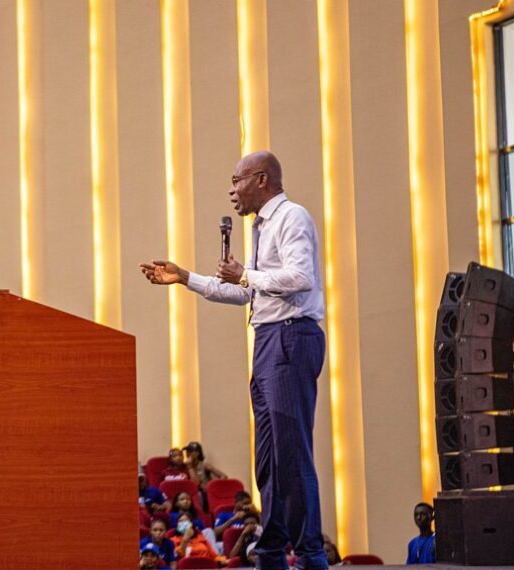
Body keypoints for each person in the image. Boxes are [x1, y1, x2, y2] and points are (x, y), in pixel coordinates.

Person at [142, 151, 327, 569]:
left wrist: (247, 274)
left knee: (292, 454)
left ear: (261, 180)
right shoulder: (262, 228)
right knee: (269, 461)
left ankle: (312, 554)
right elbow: (248, 291)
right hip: (267, 342)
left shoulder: (291, 217)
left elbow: (301, 278)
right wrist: (186, 278)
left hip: (291, 338)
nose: (232, 190)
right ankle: (274, 550)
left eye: (237, 180)